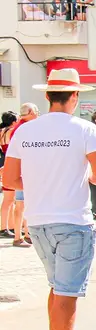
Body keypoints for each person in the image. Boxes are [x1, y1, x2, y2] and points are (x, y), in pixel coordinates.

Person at [1, 68, 96, 330]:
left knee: (56, 288)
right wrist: (82, 178)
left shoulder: (24, 131)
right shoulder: (85, 129)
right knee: (66, 294)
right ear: (75, 96)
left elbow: (8, 181)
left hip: (37, 222)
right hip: (73, 221)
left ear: (47, 96)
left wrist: (39, 187)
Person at [6, 103, 40, 247]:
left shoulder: (18, 127)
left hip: (20, 169)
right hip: (24, 170)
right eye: (37, 111)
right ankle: (23, 234)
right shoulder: (26, 128)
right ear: (32, 112)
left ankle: (23, 234)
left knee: (21, 204)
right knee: (23, 204)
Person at [0, 111, 18, 238]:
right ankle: (4, 227)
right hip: (10, 165)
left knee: (9, 199)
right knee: (9, 199)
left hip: (5, 162)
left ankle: (10, 226)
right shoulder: (12, 131)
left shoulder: (2, 131)